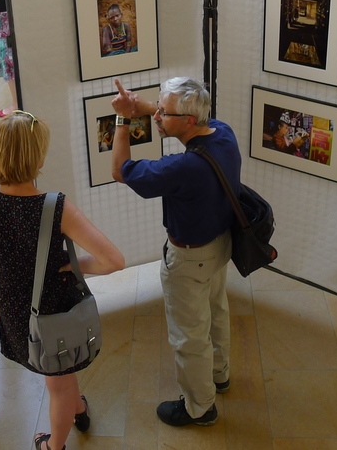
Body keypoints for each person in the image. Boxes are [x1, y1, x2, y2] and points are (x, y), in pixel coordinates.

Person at [0, 110, 125, 450]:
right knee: (59, 380)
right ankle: (56, 444)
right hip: (55, 310)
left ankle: (75, 411)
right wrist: (74, 265)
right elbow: (113, 260)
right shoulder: (56, 208)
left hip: (14, 308)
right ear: (37, 157)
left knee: (57, 373)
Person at [110, 77, 240, 427]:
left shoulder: (183, 168)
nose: (156, 116)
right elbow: (183, 119)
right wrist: (148, 108)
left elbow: (120, 170)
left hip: (188, 260)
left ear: (187, 121)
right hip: (220, 246)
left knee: (189, 335)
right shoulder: (223, 133)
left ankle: (200, 407)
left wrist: (123, 119)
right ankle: (220, 374)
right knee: (216, 311)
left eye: (162, 112)